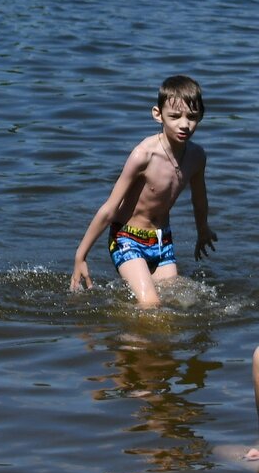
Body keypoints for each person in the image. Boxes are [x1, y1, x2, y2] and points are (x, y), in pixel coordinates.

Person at [70, 76, 214, 308]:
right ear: (158, 115)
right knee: (151, 304)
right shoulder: (143, 155)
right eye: (175, 116)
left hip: (161, 241)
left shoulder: (197, 157)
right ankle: (127, 339)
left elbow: (199, 199)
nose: (184, 124)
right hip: (127, 238)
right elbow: (109, 208)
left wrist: (203, 229)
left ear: (201, 115)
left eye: (192, 117)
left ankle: (130, 322)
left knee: (180, 304)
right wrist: (81, 255)